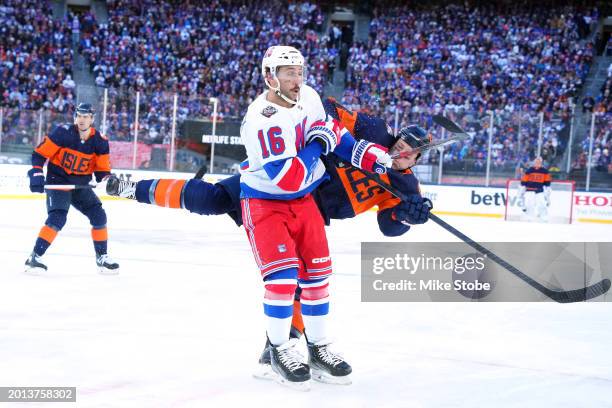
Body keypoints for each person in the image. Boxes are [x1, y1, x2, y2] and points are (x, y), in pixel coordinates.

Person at [25, 103, 119, 274]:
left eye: (85, 116)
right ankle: (35, 257)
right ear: (75, 117)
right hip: (58, 180)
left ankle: (102, 257)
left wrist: (109, 179)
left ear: (92, 118)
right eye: (79, 116)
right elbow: (39, 154)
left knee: (99, 216)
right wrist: (36, 173)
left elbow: (102, 171)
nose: (82, 119)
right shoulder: (63, 133)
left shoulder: (100, 142)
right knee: (58, 217)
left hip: (80, 184)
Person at [519, 157, 552, 221]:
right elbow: (524, 179)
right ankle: (529, 217)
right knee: (529, 204)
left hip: (539, 190)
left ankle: (543, 217)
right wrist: (523, 186)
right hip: (529, 190)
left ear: (541, 163)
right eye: (536, 162)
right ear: (534, 163)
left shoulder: (545, 171)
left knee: (542, 204)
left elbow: (547, 181)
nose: (537, 163)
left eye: (539, 162)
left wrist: (548, 188)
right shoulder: (529, 170)